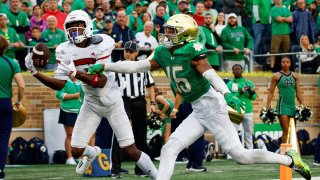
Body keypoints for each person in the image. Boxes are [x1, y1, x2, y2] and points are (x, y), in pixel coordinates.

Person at [88, 14, 311, 180]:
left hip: (213, 106)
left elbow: (209, 72)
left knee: (240, 156)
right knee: (169, 149)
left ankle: (290, 160)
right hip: (198, 109)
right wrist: (106, 66)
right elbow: (138, 65)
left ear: (184, 35)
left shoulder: (192, 50)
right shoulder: (164, 52)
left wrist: (226, 93)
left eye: (172, 32)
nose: (166, 35)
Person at [24, 10, 157, 178]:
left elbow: (100, 81)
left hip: (112, 101)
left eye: (79, 26)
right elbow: (60, 84)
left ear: (88, 27)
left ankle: (157, 175)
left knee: (130, 150)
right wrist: (35, 73)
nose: (75, 31)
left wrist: (76, 74)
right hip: (91, 103)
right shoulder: (64, 50)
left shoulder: (103, 42)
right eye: (71, 28)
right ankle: (92, 152)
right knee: (76, 150)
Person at [110, 41, 156, 178]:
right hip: (123, 101)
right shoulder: (117, 66)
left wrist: (152, 102)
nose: (128, 54)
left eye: (131, 51)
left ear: (136, 53)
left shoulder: (142, 66)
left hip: (139, 101)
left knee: (140, 135)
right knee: (120, 134)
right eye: (126, 51)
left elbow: (150, 85)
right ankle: (116, 169)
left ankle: (141, 169)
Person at [0, 34, 25, 180]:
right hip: (4, 103)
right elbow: (21, 86)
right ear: (5, 48)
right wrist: (19, 101)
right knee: (3, 138)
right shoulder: (11, 63)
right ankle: (0, 170)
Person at [266, 56, 304, 144]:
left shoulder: (295, 76)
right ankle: (283, 154)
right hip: (282, 105)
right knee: (286, 130)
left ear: (290, 64)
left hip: (292, 105)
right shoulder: (276, 76)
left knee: (292, 131)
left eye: (287, 62)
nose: (285, 63)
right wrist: (267, 106)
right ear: (281, 63)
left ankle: (291, 152)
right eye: (283, 62)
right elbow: (271, 92)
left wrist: (303, 105)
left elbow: (298, 92)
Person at [227, 64, 256, 149]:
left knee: (249, 132)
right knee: (234, 132)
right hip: (236, 108)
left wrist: (251, 92)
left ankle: (250, 150)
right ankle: (233, 151)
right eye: (235, 69)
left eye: (238, 69)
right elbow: (230, 97)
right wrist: (240, 91)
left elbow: (253, 98)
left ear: (242, 70)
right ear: (232, 71)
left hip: (247, 109)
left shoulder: (249, 82)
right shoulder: (230, 83)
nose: (237, 70)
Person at [56, 77, 84, 165]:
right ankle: (69, 157)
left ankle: (81, 157)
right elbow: (59, 94)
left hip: (81, 112)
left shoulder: (81, 82)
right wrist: (74, 96)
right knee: (70, 135)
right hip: (67, 111)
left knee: (81, 136)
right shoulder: (64, 81)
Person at [270, 0, 292, 71]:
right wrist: (286, 19)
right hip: (276, 33)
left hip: (286, 33)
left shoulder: (286, 9)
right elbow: (278, 19)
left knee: (286, 52)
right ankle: (272, 68)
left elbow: (291, 20)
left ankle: (285, 68)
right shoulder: (273, 9)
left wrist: (282, 18)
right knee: (273, 52)